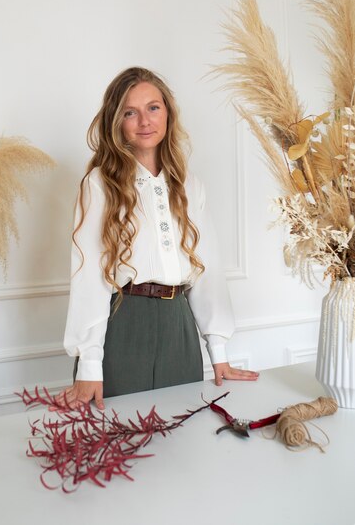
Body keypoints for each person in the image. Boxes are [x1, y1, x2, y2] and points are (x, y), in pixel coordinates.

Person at [56, 67, 258, 411]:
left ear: (168, 113)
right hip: (124, 324)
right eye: (129, 112)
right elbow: (88, 275)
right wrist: (90, 363)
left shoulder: (190, 185)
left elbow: (207, 270)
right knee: (120, 438)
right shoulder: (99, 184)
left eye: (153, 108)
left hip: (179, 327)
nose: (144, 121)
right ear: (116, 121)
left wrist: (218, 351)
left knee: (181, 437)